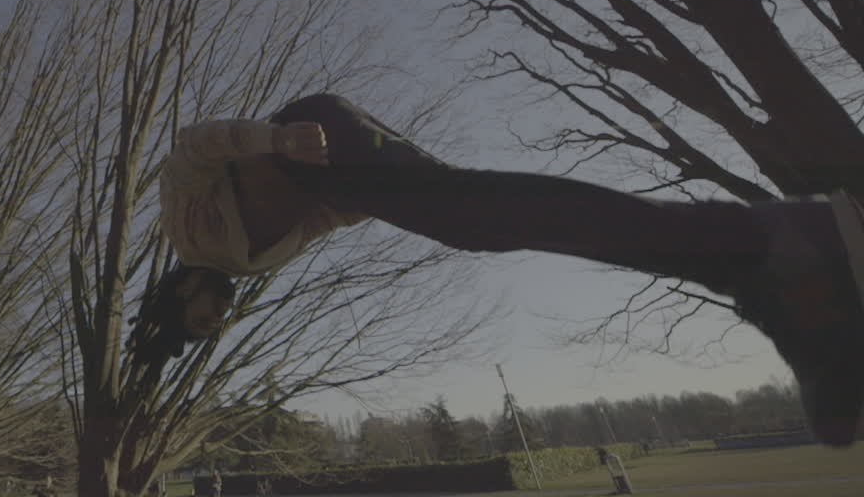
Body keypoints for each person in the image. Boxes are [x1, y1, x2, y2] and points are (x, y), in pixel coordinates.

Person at [142, 93, 864, 447]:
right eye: (217, 327)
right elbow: (322, 217)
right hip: (340, 174)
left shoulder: (186, 230)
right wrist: (393, 204)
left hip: (309, 128)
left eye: (204, 317)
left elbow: (189, 148)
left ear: (180, 293)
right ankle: (768, 260)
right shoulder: (258, 260)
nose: (221, 316)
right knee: (475, 217)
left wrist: (274, 137)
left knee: (475, 219)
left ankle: (771, 247)